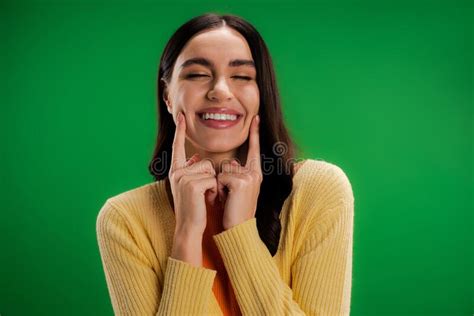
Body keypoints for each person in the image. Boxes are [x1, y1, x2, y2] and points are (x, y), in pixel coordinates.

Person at [96, 13, 355, 316]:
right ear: (167, 96)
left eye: (243, 77)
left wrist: (240, 232)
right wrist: (187, 233)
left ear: (262, 95)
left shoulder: (318, 191)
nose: (220, 90)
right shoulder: (124, 220)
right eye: (196, 74)